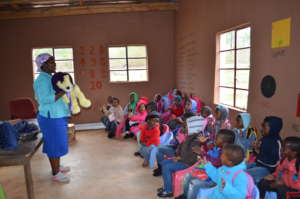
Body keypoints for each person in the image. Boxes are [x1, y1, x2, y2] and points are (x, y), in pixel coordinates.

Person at [33, 53, 71, 182]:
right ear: (42, 65)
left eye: (54, 61)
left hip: (56, 116)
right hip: (50, 118)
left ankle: (57, 166)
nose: (54, 64)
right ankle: (56, 173)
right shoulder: (41, 80)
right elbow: (44, 100)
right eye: (51, 62)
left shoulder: (50, 78)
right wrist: (63, 91)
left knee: (57, 143)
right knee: (54, 144)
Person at [176, 129, 236, 199]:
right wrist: (203, 144)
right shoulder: (217, 148)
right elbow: (209, 153)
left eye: (217, 138)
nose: (214, 139)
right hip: (209, 175)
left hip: (215, 180)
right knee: (187, 176)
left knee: (194, 184)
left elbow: (215, 162)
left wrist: (202, 153)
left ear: (224, 143)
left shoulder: (226, 154)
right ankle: (185, 196)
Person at [246, 116, 283, 184]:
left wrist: (258, 150)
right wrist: (256, 148)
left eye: (264, 127)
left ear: (273, 129)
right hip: (258, 164)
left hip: (267, 169)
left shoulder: (276, 143)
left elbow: (275, 162)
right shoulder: (265, 138)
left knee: (244, 175)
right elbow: (258, 154)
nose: (261, 129)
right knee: (239, 168)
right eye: (262, 126)